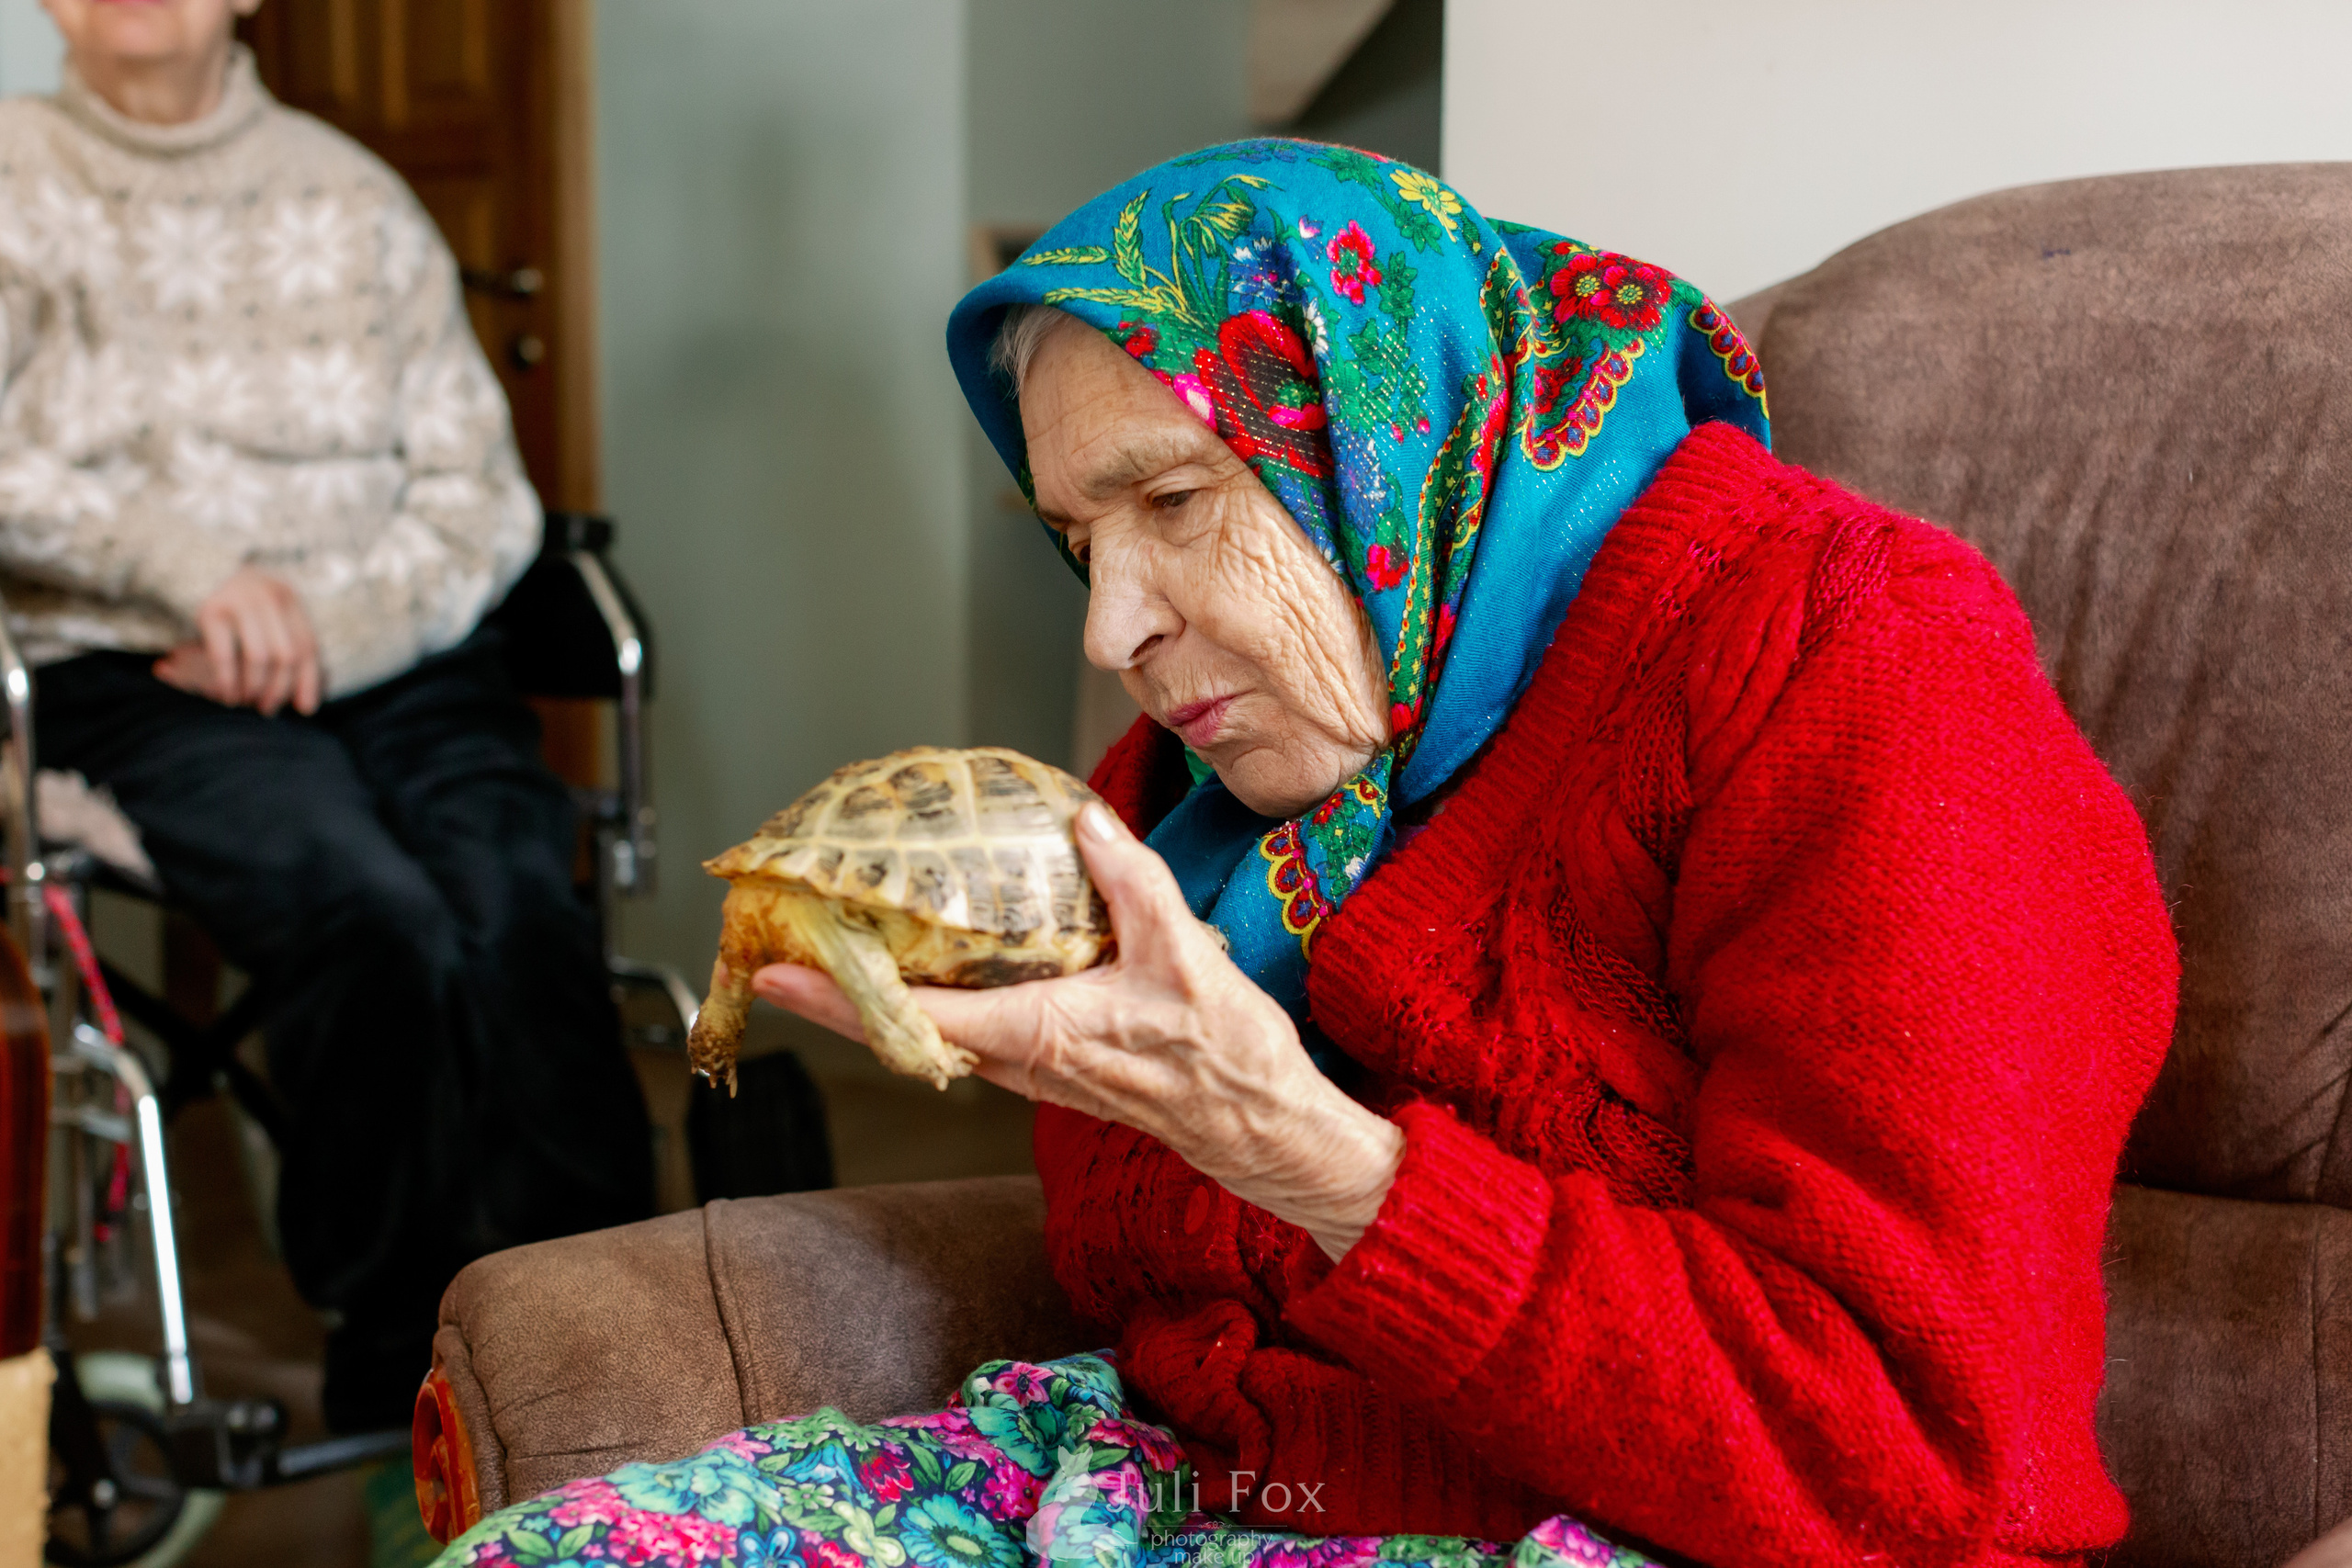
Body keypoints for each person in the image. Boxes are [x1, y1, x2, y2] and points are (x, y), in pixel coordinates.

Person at [435, 144, 2177, 1568]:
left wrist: (1311, 1156)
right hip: (1169, 1498)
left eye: (1177, 501)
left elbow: (1929, 1462)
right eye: (1076, 538)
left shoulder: (1848, 664)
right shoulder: (1215, 763)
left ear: (1387, 428)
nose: (1114, 625)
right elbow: (1146, 1266)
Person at [2, 0, 651, 1431]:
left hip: (388, 648)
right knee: (364, 907)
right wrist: (190, 578)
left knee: (511, 898)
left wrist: (332, 632)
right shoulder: (12, 180)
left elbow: (479, 495)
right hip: (137, 669)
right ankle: (401, 1370)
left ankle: (604, 1351)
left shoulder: (354, 197)